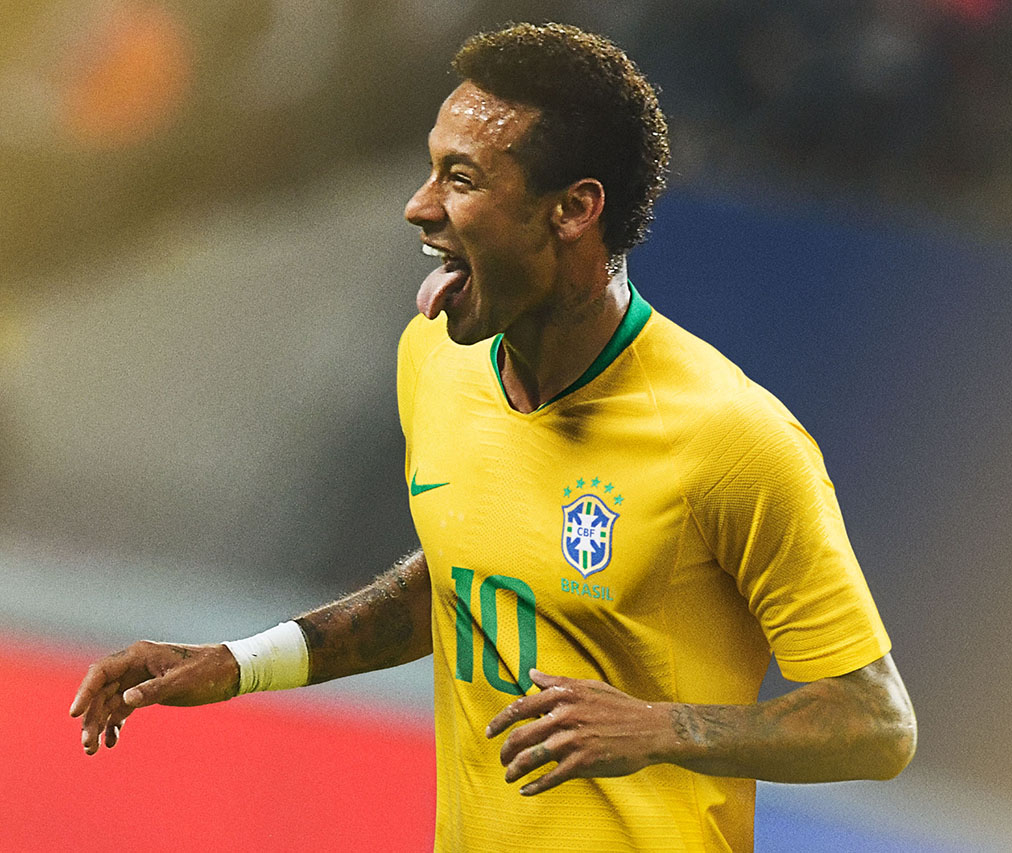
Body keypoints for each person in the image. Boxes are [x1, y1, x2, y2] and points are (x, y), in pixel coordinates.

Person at [70, 22, 916, 852]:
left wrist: (663, 726)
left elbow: (877, 721)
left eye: (461, 178)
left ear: (574, 209)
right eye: (430, 168)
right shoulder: (435, 361)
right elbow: (461, 579)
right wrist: (242, 662)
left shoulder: (732, 437)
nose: (419, 205)